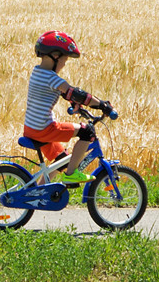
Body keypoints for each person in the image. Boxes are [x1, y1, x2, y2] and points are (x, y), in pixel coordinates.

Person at [21, 30, 114, 184]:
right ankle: (71, 175)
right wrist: (102, 105)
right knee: (87, 131)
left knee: (62, 159)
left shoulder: (38, 72)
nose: (64, 63)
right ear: (55, 56)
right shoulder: (52, 78)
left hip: (31, 127)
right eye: (65, 59)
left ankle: (36, 193)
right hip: (43, 128)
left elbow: (63, 93)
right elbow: (77, 94)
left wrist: (73, 102)